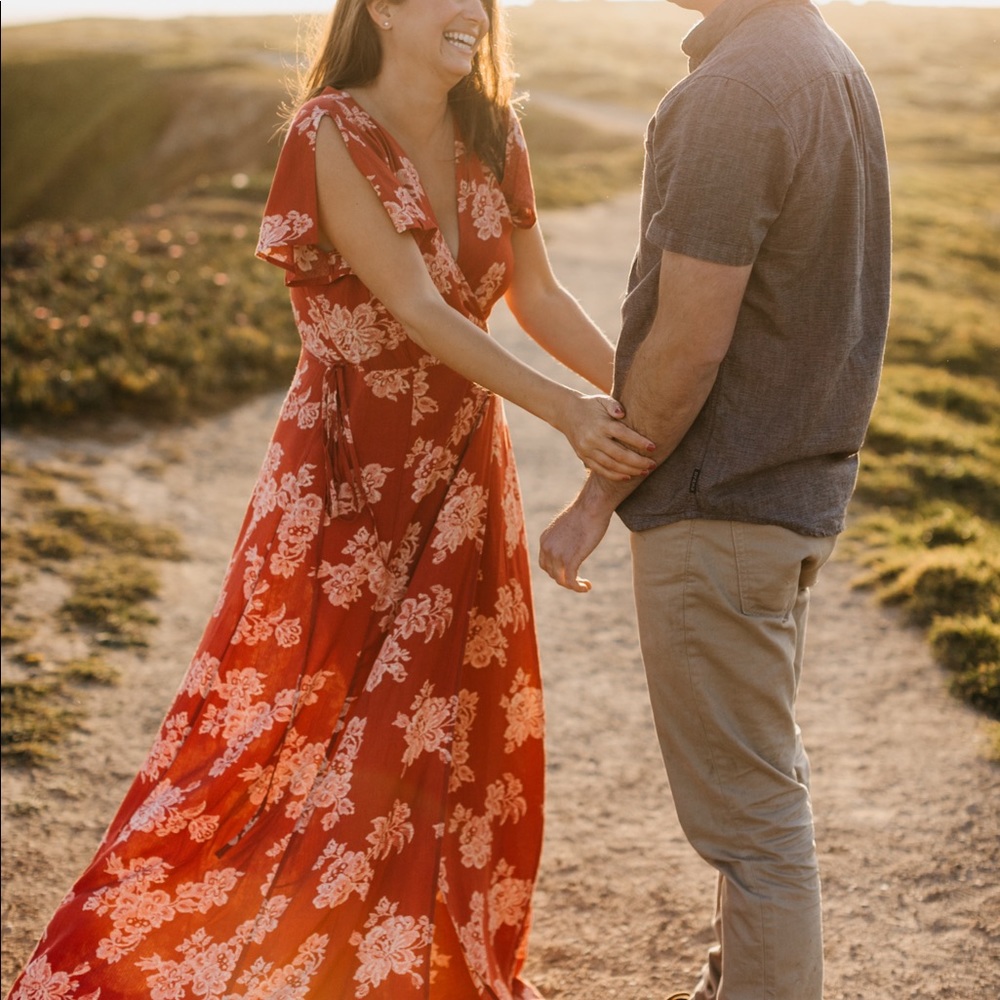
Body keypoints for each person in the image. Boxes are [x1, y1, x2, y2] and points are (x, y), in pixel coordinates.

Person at [6, 0, 656, 997]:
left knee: (438, 723)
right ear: (383, 8)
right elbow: (415, 303)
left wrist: (649, 402)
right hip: (343, 476)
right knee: (285, 721)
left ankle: (385, 955)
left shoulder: (494, 128)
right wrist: (568, 413)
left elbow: (537, 294)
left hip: (457, 475)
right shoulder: (331, 131)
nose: (473, 12)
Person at [539, 0, 891, 997]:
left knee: (752, 824)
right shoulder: (825, 64)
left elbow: (690, 341)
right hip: (788, 493)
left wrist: (595, 498)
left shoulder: (733, 93)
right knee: (759, 789)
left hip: (720, 501)